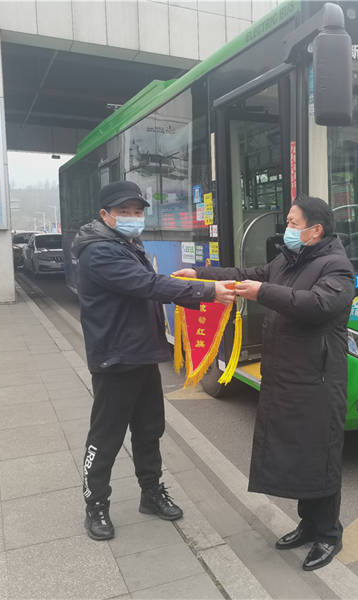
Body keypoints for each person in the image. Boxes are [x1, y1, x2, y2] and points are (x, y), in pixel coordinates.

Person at [173, 195, 355, 570]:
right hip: (287, 376)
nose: (286, 228)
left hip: (318, 380)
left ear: (315, 230)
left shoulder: (336, 267)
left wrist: (262, 292)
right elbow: (247, 273)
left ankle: (328, 534)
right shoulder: (288, 260)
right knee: (299, 455)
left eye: (292, 222)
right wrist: (202, 274)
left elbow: (316, 305)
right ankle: (308, 525)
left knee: (320, 455)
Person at [73, 180, 235, 541]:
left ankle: (151, 493)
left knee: (149, 430)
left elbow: (148, 285)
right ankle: (95, 505)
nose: (133, 217)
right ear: (105, 215)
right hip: (116, 359)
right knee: (106, 437)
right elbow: (147, 286)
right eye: (124, 211)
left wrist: (190, 287)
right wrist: (208, 291)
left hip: (142, 354)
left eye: (137, 211)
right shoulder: (99, 252)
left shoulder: (127, 244)